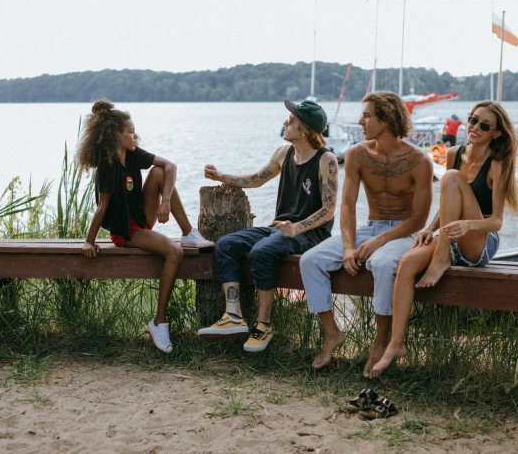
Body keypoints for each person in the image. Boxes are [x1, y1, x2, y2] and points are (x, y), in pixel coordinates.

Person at [370, 100, 518, 377]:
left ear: (496, 133)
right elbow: (448, 202)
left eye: (484, 125)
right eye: (473, 120)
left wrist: (467, 224)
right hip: (450, 236)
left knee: (451, 177)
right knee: (406, 264)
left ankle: (441, 258)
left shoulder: (497, 165)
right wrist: (429, 227)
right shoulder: (454, 153)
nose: (474, 127)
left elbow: (496, 220)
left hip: (479, 240)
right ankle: (396, 344)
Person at [299, 91, 433, 374]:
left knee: (382, 263)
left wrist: (381, 240)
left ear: (387, 119)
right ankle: (332, 334)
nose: (361, 121)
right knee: (310, 260)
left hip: (402, 233)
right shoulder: (358, 154)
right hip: (368, 229)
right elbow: (347, 205)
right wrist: (349, 246)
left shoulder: (419, 161)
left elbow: (420, 218)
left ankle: (382, 342)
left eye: (368, 115)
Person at [197, 99, 339, 353]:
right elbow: (255, 179)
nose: (286, 122)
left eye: (292, 120)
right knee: (226, 245)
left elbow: (328, 210)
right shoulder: (283, 153)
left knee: (262, 251)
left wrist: (297, 227)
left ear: (305, 129)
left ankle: (263, 325)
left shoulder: (325, 159)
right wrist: (222, 177)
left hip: (310, 233)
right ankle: (233, 315)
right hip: (279, 228)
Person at [77, 99, 213, 354]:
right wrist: (89, 240)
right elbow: (102, 208)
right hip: (124, 230)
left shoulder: (132, 155)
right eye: (130, 131)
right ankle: (159, 322)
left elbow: (170, 166)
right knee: (175, 252)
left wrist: (166, 201)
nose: (135, 136)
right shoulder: (108, 166)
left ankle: (189, 233)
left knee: (160, 172)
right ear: (116, 134)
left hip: (140, 218)